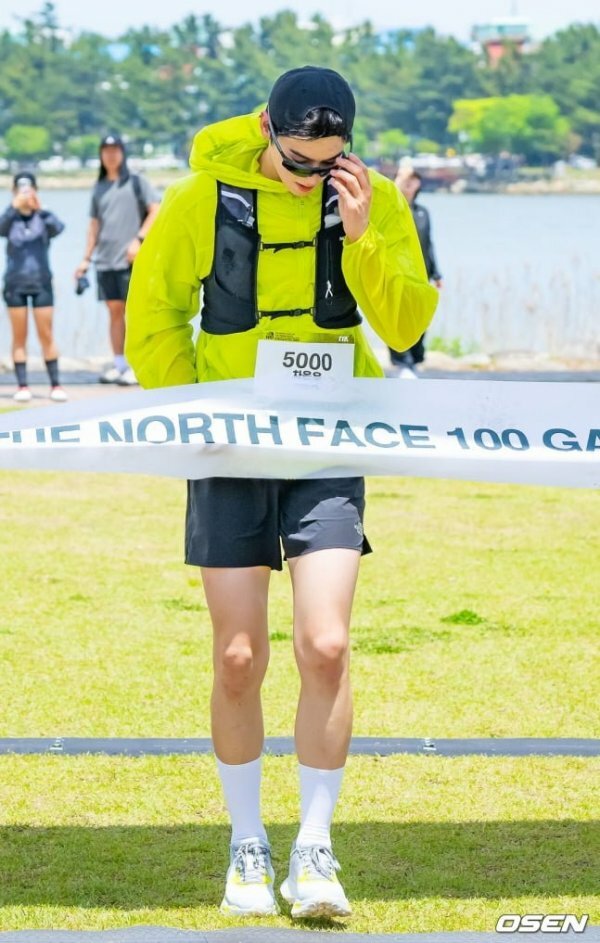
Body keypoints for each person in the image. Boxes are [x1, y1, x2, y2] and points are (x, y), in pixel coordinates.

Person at [126, 66, 438, 919]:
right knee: (238, 657)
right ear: (267, 128)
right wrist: (192, 411)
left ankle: (314, 848)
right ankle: (247, 842)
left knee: (325, 645)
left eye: (328, 162)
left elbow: (406, 325)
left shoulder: (372, 198)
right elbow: (154, 315)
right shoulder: (200, 198)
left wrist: (364, 236)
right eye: (299, 160)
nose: (311, 177)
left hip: (330, 445)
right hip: (229, 449)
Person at [74, 134, 160, 385]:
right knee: (114, 311)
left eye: (115, 150)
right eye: (106, 151)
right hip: (105, 260)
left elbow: (156, 210)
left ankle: (136, 365)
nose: (111, 155)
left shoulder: (136, 182)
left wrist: (138, 240)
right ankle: (119, 364)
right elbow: (94, 225)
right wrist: (85, 259)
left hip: (131, 260)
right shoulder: (99, 187)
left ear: (122, 153)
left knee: (134, 312)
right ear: (101, 155)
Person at [0, 172, 67, 403]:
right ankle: (22, 386)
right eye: (20, 189)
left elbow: (59, 228)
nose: (25, 194)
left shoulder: (43, 217)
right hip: (15, 284)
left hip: (42, 283)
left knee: (46, 334)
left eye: (29, 189)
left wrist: (41, 209)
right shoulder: (10, 218)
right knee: (19, 335)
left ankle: (55, 384)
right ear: (14, 192)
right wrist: (13, 207)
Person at [388, 166, 443, 378]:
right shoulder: (389, 209)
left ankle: (416, 359)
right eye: (404, 177)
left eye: (414, 178)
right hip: (395, 273)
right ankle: (402, 362)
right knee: (396, 318)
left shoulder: (423, 213)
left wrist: (436, 273)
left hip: (421, 275)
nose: (409, 182)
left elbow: (429, 244)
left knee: (420, 317)